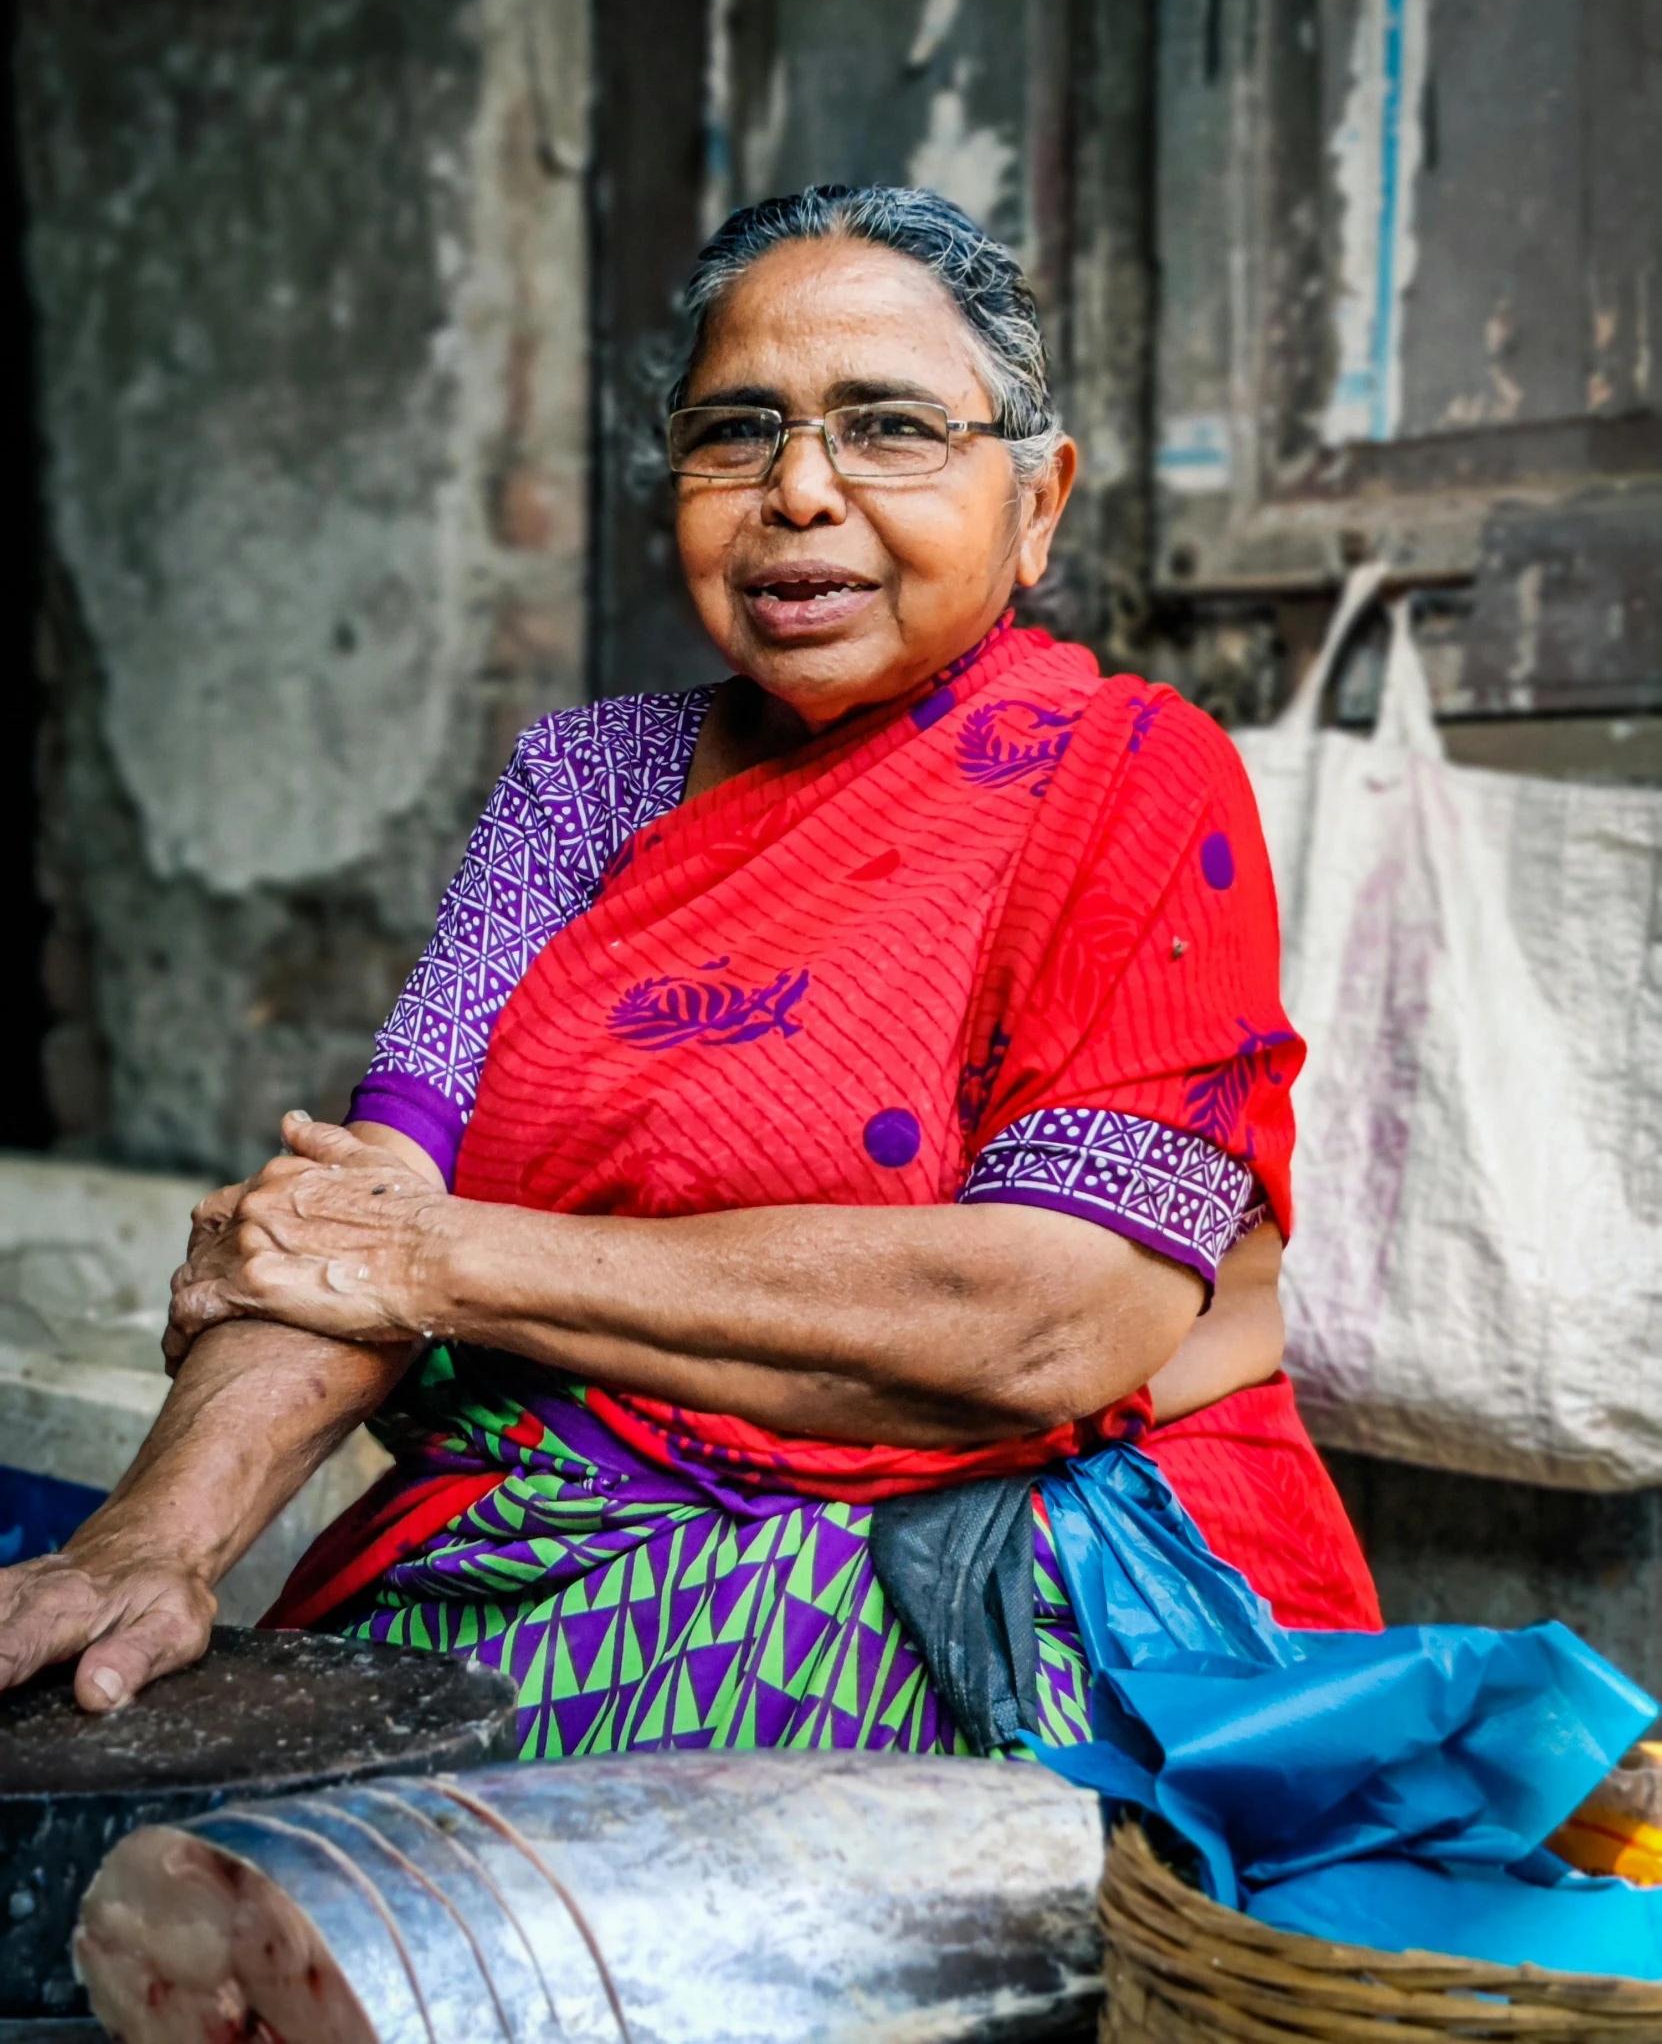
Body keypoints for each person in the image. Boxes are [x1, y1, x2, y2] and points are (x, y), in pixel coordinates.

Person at [0, 186, 1378, 1751]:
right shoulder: (582, 787)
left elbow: (1051, 1324)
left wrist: (445, 1264)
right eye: (737, 433)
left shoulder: (1126, 776)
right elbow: (355, 1212)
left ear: (1035, 500)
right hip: (551, 1524)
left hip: (1005, 1564)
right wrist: (149, 1544)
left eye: (888, 427)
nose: (799, 492)